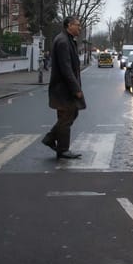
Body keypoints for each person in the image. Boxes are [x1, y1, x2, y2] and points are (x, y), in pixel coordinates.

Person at [41, 16, 85, 159]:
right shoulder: (63, 42)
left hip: (64, 88)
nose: (80, 28)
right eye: (77, 25)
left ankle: (51, 140)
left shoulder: (67, 40)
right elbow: (66, 69)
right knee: (67, 116)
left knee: (71, 114)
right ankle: (63, 148)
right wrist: (76, 89)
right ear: (69, 25)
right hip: (63, 89)